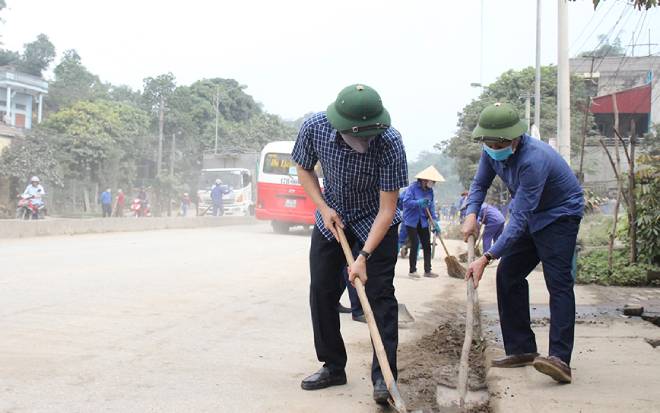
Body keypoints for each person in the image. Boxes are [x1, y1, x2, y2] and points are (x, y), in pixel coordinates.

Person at [293, 84, 407, 405]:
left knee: (380, 297)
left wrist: (363, 257)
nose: (365, 142)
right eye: (359, 136)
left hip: (375, 220)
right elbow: (303, 168)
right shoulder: (314, 127)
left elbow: (387, 210)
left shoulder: (390, 142)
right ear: (340, 126)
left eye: (369, 135)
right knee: (322, 291)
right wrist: (323, 207)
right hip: (333, 218)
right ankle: (333, 365)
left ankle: (384, 377)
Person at [462, 102, 584, 384]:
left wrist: (487, 256)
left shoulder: (533, 159)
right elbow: (480, 184)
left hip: (559, 215)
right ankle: (522, 349)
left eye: (497, 142)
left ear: (514, 138)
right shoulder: (490, 151)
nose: (492, 146)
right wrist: (471, 213)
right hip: (530, 214)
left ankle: (560, 359)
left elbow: (518, 220)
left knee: (559, 282)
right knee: (509, 275)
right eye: (487, 142)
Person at [402, 166, 444, 278]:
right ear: (425, 180)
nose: (433, 183)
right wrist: (418, 202)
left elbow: (432, 208)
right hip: (411, 220)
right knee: (415, 244)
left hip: (423, 221)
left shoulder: (430, 191)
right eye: (432, 181)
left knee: (426, 245)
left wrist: (434, 222)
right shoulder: (412, 188)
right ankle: (412, 271)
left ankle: (427, 270)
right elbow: (406, 202)